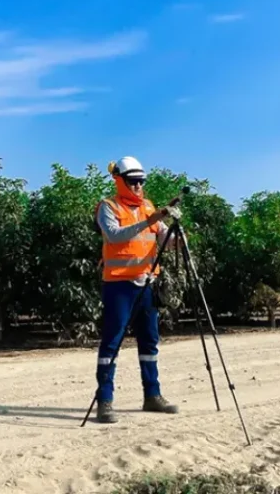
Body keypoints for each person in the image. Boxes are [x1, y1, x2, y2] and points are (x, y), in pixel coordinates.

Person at [93, 156, 181, 424]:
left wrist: (177, 232)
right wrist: (150, 219)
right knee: (112, 342)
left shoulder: (149, 207)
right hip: (119, 284)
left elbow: (167, 240)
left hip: (147, 283)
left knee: (149, 341)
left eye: (142, 181)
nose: (139, 186)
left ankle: (152, 396)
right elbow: (115, 235)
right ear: (119, 180)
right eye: (133, 181)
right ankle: (105, 402)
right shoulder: (108, 207)